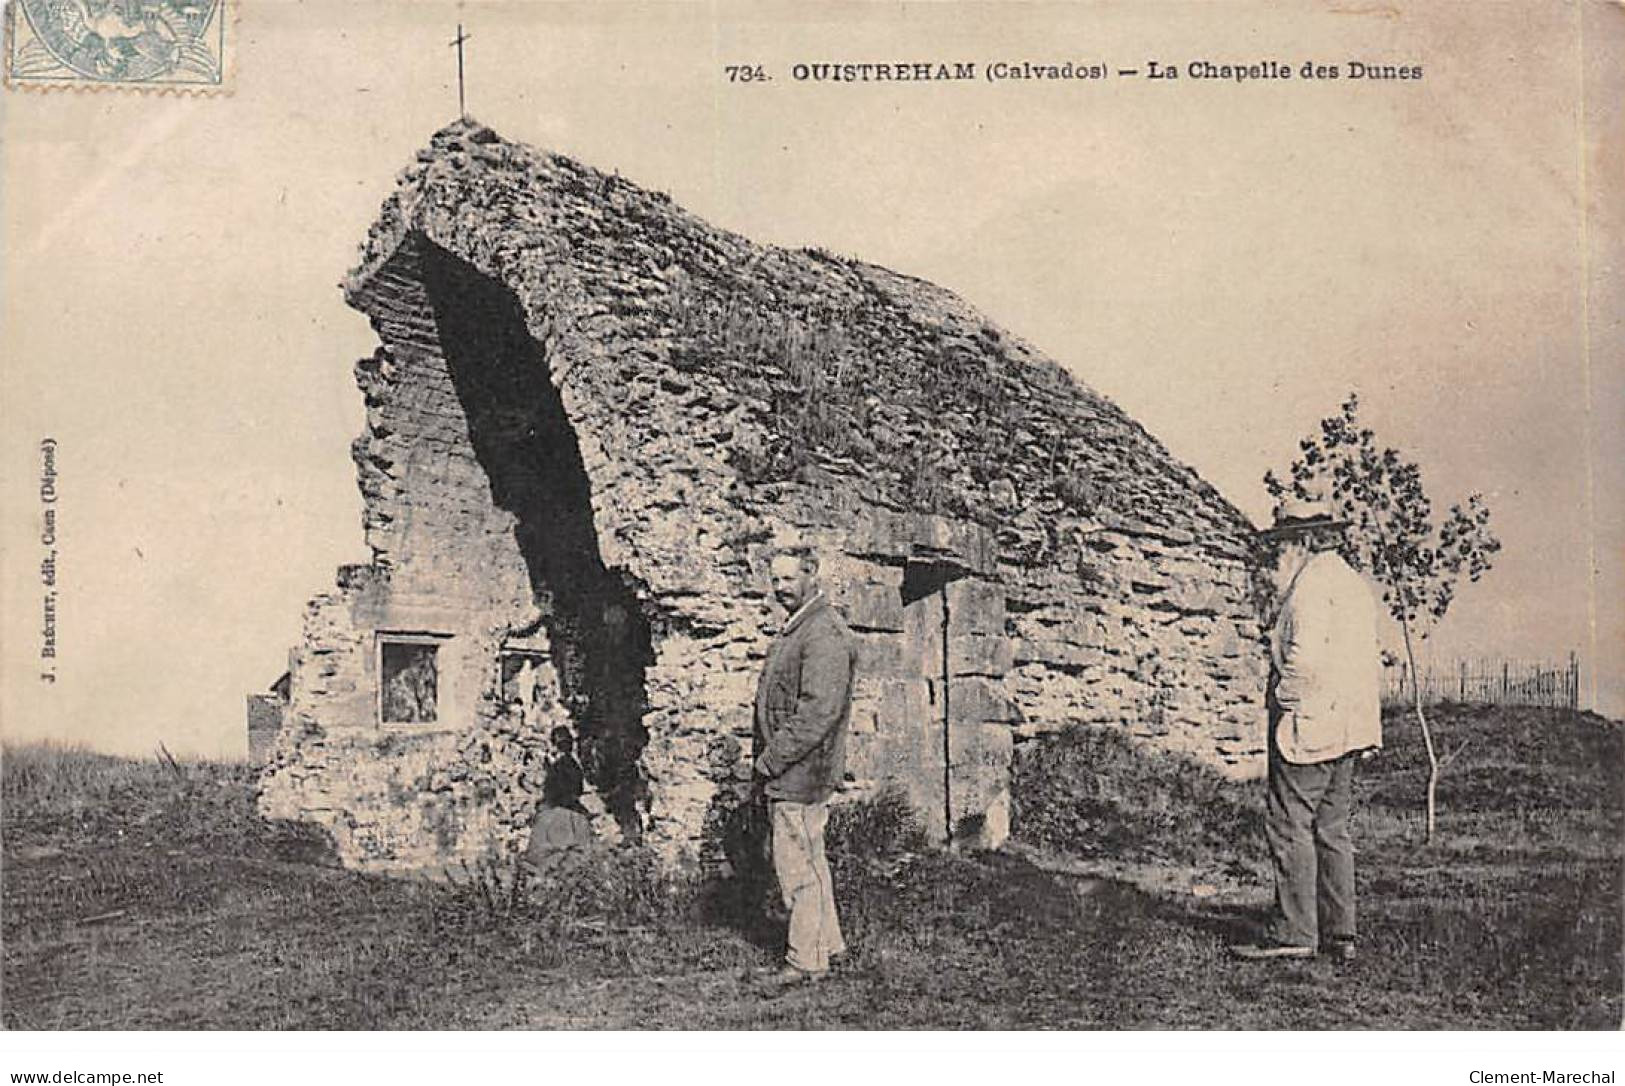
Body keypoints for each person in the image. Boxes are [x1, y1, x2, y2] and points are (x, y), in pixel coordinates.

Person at [1232, 497, 1382, 963]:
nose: (1279, 555)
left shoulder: (1310, 588)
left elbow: (1303, 660)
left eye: (1283, 544)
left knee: (1288, 823)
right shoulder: (1353, 585)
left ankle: (1294, 932)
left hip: (1311, 723)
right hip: (1349, 725)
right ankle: (1341, 934)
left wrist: (1283, 701)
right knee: (1332, 828)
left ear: (1303, 542)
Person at [752, 547, 857, 989]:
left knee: (796, 869)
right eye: (775, 579)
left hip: (801, 771)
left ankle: (805, 960)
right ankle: (827, 945)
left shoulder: (823, 634)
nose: (780, 587)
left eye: (788, 578)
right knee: (810, 862)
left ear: (812, 575)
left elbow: (818, 712)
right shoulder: (802, 628)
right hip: (795, 769)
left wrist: (770, 761)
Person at [523, 726, 594, 870]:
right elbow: (578, 790)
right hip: (573, 813)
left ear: (554, 744)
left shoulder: (559, 767)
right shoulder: (573, 766)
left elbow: (553, 792)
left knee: (540, 861)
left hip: (558, 815)